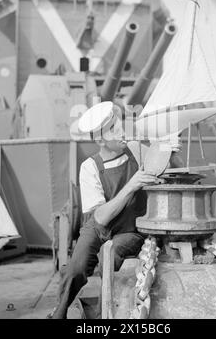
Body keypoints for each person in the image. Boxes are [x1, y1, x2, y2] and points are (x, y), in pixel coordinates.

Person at [50, 101, 163, 319]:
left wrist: (166, 151)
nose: (121, 132)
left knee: (108, 256)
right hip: (99, 227)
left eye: (119, 125)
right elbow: (100, 217)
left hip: (129, 230)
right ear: (100, 140)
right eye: (113, 129)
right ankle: (59, 312)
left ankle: (105, 315)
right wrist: (132, 185)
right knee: (75, 269)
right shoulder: (89, 167)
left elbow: (164, 162)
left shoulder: (138, 152)